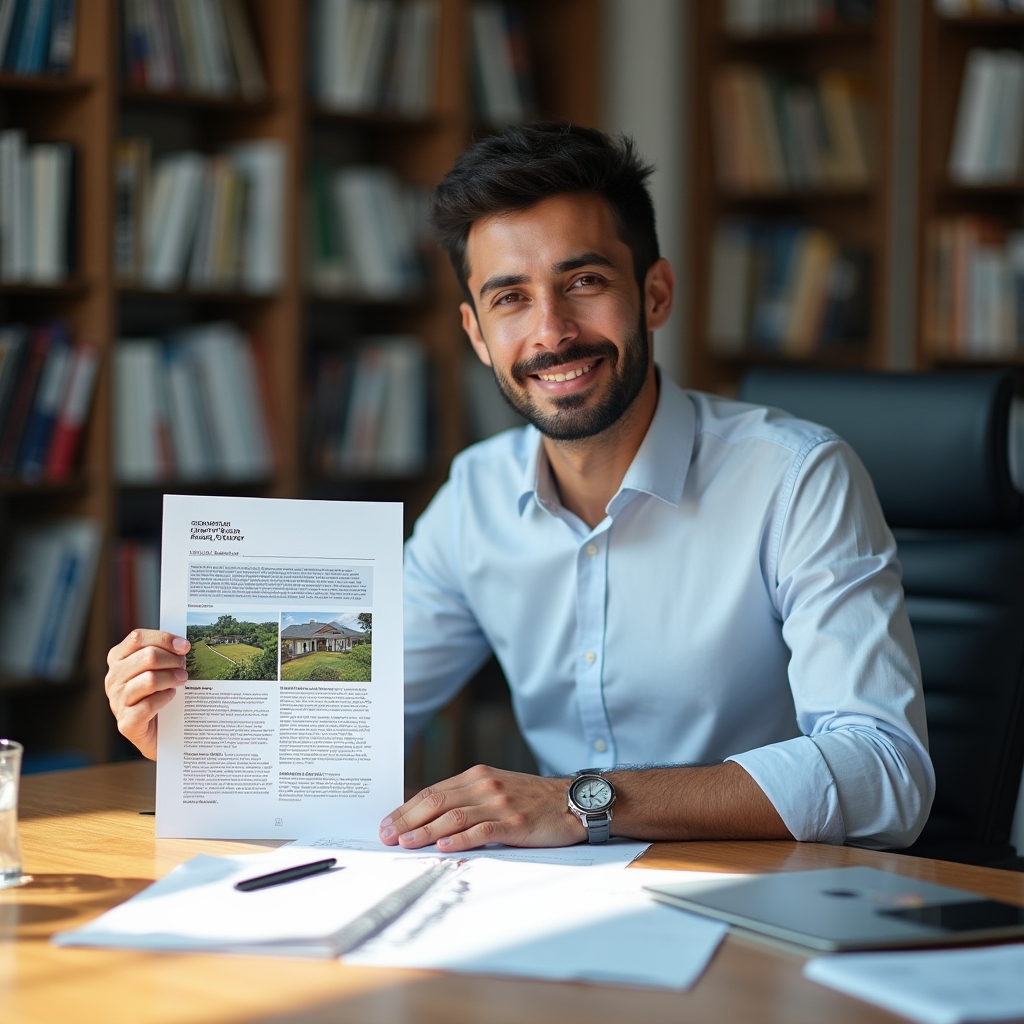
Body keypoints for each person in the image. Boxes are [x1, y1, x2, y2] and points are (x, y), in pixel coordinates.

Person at [105, 123, 934, 854]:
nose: (551, 332)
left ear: (654, 293)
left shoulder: (797, 476)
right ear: (475, 332)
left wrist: (583, 804)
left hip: (764, 895)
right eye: (510, 298)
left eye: (585, 282)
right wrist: (199, 732)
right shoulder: (475, 495)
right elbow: (352, 722)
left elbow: (887, 770)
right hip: (563, 900)